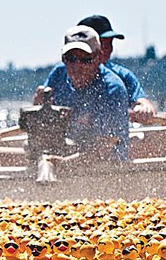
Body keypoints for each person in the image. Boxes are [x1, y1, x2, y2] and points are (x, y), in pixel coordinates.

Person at [35, 25, 129, 161]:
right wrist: (37, 105)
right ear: (63, 58)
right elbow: (39, 128)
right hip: (64, 152)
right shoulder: (58, 74)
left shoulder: (113, 89)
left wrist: (65, 163)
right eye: (71, 58)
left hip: (104, 166)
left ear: (98, 57)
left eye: (85, 59)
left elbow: (104, 147)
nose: (77, 66)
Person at [77, 15, 156, 123]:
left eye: (110, 43)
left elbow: (143, 102)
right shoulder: (59, 73)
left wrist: (144, 109)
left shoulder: (122, 76)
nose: (109, 49)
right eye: (103, 43)